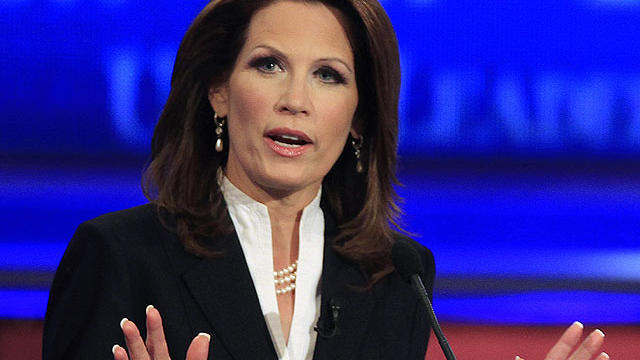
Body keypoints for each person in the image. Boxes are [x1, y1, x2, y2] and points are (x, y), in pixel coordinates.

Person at [42, 1, 609, 359]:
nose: (295, 101)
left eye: (328, 76)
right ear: (219, 89)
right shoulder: (118, 257)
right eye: (268, 65)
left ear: (360, 115)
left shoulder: (397, 278)